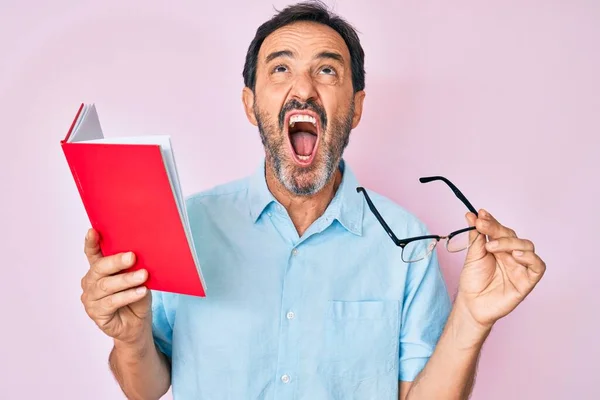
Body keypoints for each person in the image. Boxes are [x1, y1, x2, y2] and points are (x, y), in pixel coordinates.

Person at [79, 1, 546, 399]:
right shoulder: (187, 227)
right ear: (250, 103)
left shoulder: (408, 245)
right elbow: (148, 387)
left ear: (357, 106)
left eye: (326, 70)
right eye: (280, 68)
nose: (303, 89)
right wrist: (131, 340)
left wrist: (473, 317)